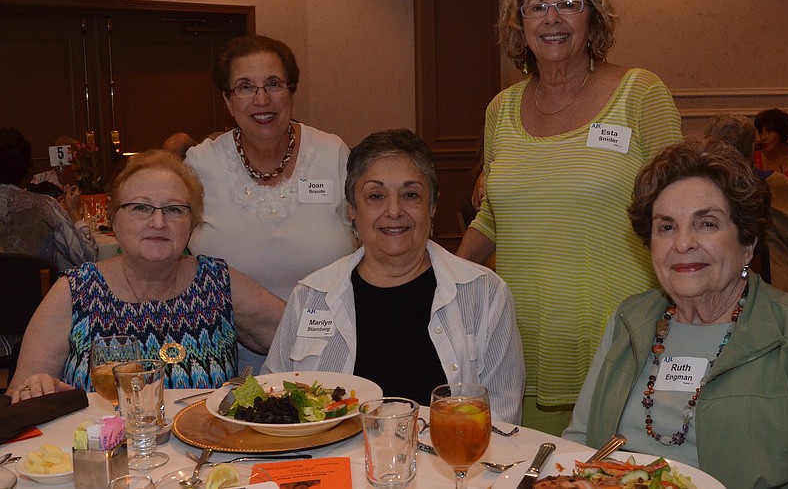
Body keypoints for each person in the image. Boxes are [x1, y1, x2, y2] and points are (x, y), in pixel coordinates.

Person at [454, 0, 681, 434]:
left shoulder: (640, 93)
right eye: (537, 7)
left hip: (619, 337)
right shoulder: (502, 108)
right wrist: (441, 282)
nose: (552, 19)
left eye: (569, 4)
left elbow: (684, 207)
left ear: (593, 19)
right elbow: (491, 220)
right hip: (520, 340)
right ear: (521, 25)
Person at [564, 138, 788, 488]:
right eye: (666, 227)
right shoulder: (629, 320)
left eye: (707, 224)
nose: (683, 243)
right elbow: (578, 443)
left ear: (747, 243)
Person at [263, 129, 524, 423]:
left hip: (451, 465)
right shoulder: (311, 296)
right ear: (352, 208)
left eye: (411, 195)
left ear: (433, 205)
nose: (394, 210)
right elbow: (273, 406)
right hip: (331, 468)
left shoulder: (485, 294)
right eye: (375, 196)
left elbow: (502, 423)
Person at [7, 150, 284, 402]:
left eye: (174, 209)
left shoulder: (217, 282)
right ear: (113, 218)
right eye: (140, 208)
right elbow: (21, 396)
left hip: (206, 454)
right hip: (103, 453)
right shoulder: (76, 290)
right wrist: (38, 387)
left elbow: (301, 337)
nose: (158, 222)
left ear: (193, 223)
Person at [186, 35, 357, 372]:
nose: (261, 100)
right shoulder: (200, 166)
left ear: (291, 91)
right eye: (245, 87)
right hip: (227, 365)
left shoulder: (333, 154)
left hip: (331, 359)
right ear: (228, 100)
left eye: (274, 84)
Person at [705, 114, 788, 301]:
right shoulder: (769, 184)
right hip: (773, 292)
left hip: (711, 288)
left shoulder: (700, 185)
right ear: (751, 148)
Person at [0, 128, 97, 271]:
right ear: (26, 168)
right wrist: (73, 212)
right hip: (36, 291)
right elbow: (88, 257)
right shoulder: (46, 206)